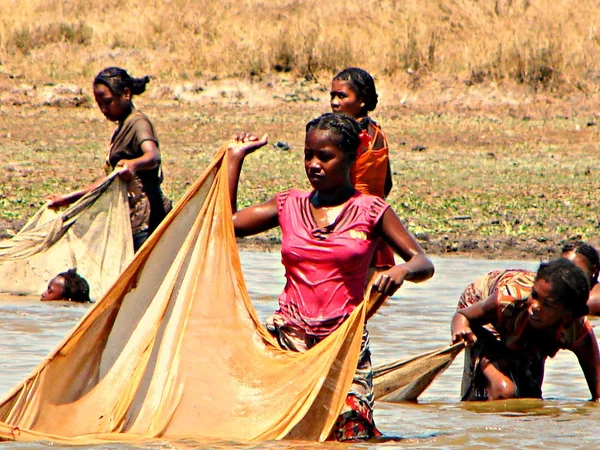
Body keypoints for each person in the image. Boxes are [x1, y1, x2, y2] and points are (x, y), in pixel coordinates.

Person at [227, 112, 434, 441]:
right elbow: (228, 223)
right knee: (288, 434)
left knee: (352, 433)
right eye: (308, 155)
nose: (313, 164)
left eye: (325, 156)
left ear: (350, 159)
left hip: (344, 344)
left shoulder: (371, 210)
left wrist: (401, 270)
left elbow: (423, 262)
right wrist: (234, 159)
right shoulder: (289, 204)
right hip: (290, 344)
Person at [47, 67, 172, 251]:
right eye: (99, 104)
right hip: (130, 220)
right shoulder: (123, 127)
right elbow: (107, 181)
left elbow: (152, 156)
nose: (104, 109)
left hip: (147, 220)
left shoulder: (138, 123)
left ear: (126, 94)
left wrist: (133, 164)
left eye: (108, 102)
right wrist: (68, 198)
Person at [451, 259, 600, 401]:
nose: (535, 306)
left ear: (567, 315)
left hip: (531, 333)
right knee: (503, 391)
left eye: (547, 304)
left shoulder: (577, 329)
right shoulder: (509, 299)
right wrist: (460, 330)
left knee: (530, 396)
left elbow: (598, 389)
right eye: (534, 296)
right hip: (485, 315)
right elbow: (463, 315)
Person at [330, 67, 395, 273]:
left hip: (350, 223)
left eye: (342, 96)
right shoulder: (379, 134)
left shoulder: (344, 135)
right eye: (332, 95)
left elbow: (338, 183)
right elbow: (387, 184)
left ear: (362, 101)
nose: (334, 102)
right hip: (377, 222)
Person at [561, 241, 600, 315]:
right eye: (562, 269)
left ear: (594, 270)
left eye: (575, 270)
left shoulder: (594, 300)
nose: (567, 274)